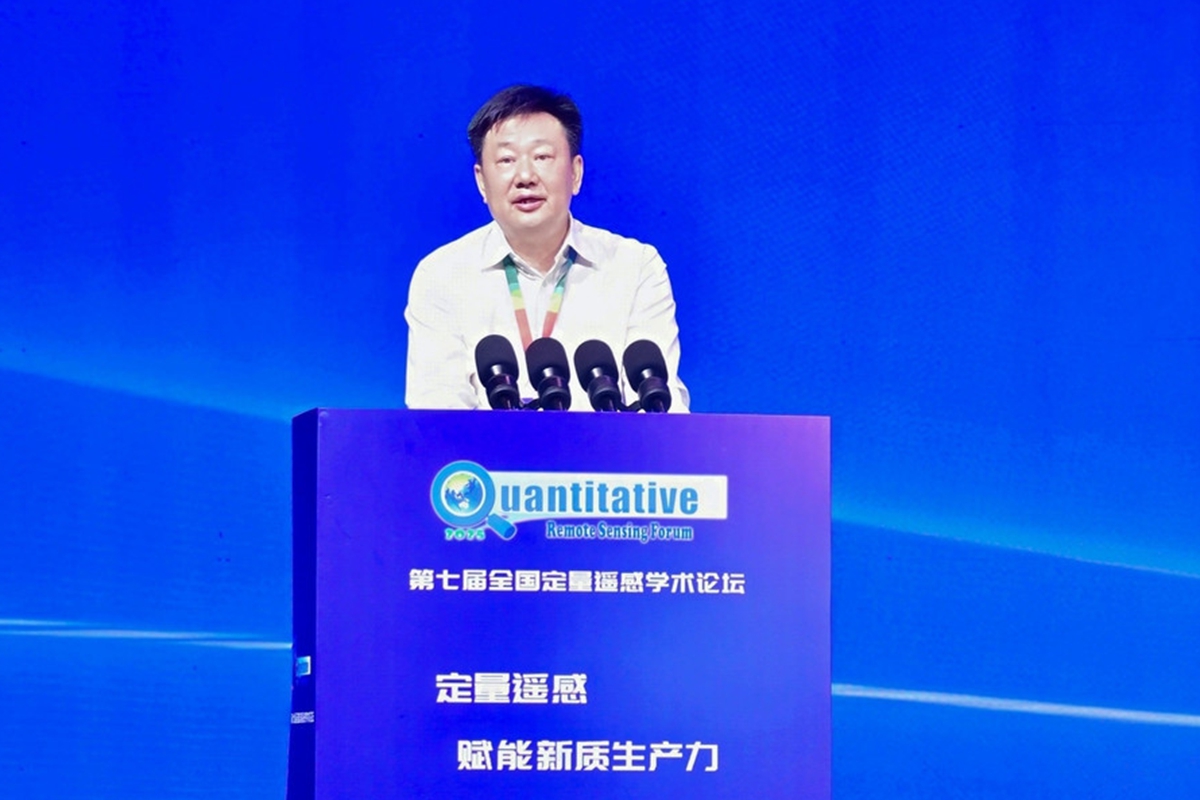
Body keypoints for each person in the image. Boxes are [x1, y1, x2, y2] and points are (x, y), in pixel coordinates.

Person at [404, 84, 689, 411]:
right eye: (506, 160)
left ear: (576, 173)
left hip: (608, 447)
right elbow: (436, 417)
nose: (525, 176)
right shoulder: (441, 275)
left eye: (542, 157)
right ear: (482, 181)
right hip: (485, 448)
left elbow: (663, 409)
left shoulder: (634, 267)